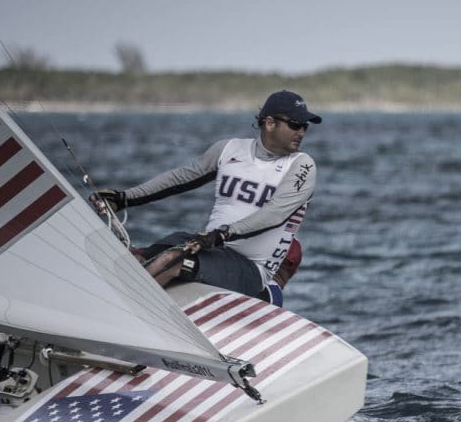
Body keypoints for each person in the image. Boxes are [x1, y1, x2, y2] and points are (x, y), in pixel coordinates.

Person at [90, 90, 320, 305]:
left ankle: (120, 313)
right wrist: (123, 198)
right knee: (133, 258)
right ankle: (95, 304)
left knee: (171, 260)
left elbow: (274, 214)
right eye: (295, 124)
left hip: (250, 268)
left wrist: (222, 234)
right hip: (212, 249)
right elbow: (180, 178)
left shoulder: (302, 165)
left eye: (305, 127)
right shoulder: (229, 149)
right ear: (270, 123)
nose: (301, 132)